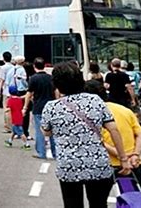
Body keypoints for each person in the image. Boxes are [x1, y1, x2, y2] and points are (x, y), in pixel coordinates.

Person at [41, 62, 131, 208]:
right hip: (98, 165)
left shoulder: (52, 107)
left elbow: (46, 131)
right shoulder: (95, 100)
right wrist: (123, 158)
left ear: (57, 84)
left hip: (69, 166)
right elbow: (113, 129)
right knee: (99, 204)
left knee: (72, 204)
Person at [85, 80, 141, 188]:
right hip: (132, 163)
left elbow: (97, 139)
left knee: (99, 201)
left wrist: (119, 154)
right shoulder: (125, 110)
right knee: (133, 200)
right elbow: (140, 134)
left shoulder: (90, 114)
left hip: (105, 164)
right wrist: (135, 154)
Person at [23, 57, 55, 159]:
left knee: (39, 130)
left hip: (38, 107)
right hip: (51, 107)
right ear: (44, 66)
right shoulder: (50, 78)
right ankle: (55, 153)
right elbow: (56, 92)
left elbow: (29, 94)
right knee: (53, 131)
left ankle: (41, 153)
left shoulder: (33, 78)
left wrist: (25, 107)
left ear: (34, 66)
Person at [0, 51, 13, 133]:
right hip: (13, 90)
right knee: (12, 109)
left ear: (3, 58)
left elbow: (2, 80)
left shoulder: (3, 68)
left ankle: (7, 127)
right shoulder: (13, 67)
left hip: (6, 90)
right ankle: (13, 125)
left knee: (6, 109)